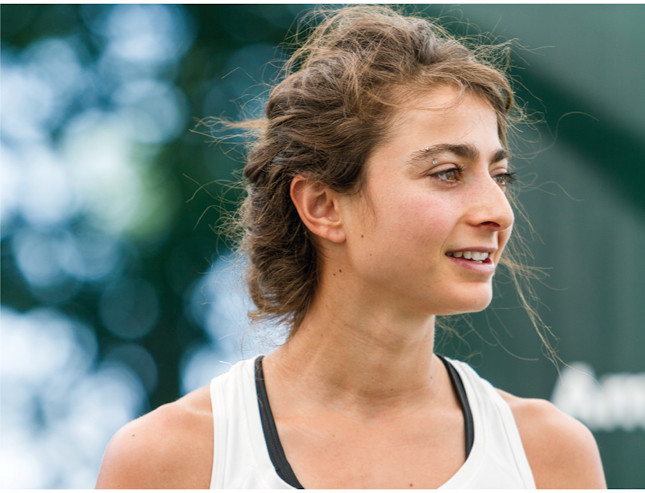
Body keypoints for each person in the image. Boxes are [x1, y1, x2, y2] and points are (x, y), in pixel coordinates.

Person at [96, 6, 606, 489]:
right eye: (448, 173)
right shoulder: (170, 460)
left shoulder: (549, 457)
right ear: (322, 205)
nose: (499, 212)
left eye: (500, 175)